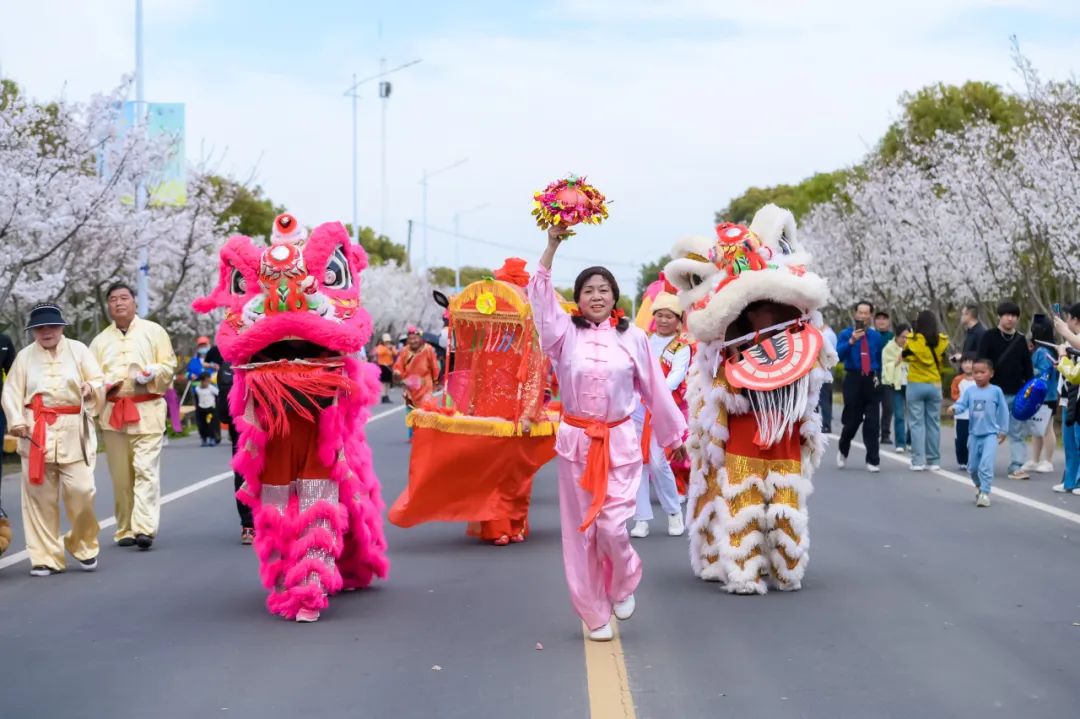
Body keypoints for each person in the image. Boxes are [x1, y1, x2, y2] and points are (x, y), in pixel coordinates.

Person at [530, 223, 687, 643]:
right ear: (578, 300)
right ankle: (593, 612)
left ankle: (622, 583)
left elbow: (654, 387)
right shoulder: (563, 335)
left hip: (619, 443)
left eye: (603, 289)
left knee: (614, 527)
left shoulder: (635, 338)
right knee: (581, 533)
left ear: (614, 296)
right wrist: (551, 246)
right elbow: (541, 303)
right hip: (576, 443)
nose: (596, 296)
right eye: (587, 290)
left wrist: (674, 435)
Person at [1, 303, 105, 575]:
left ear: (61, 327)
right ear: (33, 331)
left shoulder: (79, 350)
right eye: (40, 328)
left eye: (51, 326)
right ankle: (46, 557)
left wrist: (91, 387)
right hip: (36, 433)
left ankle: (82, 544)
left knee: (82, 491)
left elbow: (99, 380)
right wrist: (17, 421)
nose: (46, 331)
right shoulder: (24, 357)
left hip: (74, 431)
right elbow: (11, 392)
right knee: (39, 499)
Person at [89, 282, 177, 550]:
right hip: (113, 413)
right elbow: (91, 377)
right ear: (108, 306)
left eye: (124, 298)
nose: (118, 303)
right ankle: (125, 528)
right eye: (113, 299)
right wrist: (103, 384)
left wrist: (153, 372)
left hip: (147, 411)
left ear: (134, 302)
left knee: (145, 471)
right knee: (121, 476)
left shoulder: (154, 331)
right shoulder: (99, 341)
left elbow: (169, 364)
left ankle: (144, 528)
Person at [629, 292, 689, 539]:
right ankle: (641, 519)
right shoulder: (643, 340)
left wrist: (654, 392)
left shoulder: (681, 347)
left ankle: (674, 512)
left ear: (678, 320)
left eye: (669, 316)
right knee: (636, 464)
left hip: (661, 410)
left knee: (657, 461)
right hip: (636, 409)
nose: (663, 320)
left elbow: (675, 377)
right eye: (660, 315)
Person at [976, 301, 1034, 480]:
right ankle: (982, 463)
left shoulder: (1020, 339)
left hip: (1016, 393)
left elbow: (1027, 367)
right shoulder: (989, 336)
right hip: (992, 392)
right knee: (988, 430)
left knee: (1017, 432)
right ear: (1000, 316)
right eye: (1007, 315)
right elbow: (980, 361)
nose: (1010, 318)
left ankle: (1016, 466)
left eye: (1014, 315)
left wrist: (1030, 389)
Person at [205, 343, 254, 543]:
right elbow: (225, 402)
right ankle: (250, 522)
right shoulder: (233, 360)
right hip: (246, 424)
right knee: (247, 473)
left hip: (252, 424)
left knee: (247, 472)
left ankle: (251, 524)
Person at [948, 359, 1009, 507]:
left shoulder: (996, 391)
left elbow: (1003, 411)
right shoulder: (970, 391)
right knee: (973, 467)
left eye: (983, 372)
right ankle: (979, 486)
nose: (979, 375)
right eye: (976, 372)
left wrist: (1003, 430)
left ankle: (985, 493)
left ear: (991, 373)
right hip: (974, 434)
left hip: (990, 434)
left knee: (986, 465)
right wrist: (954, 408)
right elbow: (962, 404)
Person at [836, 301, 885, 472]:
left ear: (870, 316)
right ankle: (843, 448)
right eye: (860, 313)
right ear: (855, 314)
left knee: (872, 422)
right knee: (852, 421)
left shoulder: (876, 336)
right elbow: (838, 356)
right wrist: (851, 341)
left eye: (866, 313)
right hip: (853, 379)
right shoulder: (845, 334)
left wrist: (878, 376)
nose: (863, 316)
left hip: (871, 379)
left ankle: (873, 460)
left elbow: (878, 359)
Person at [901, 311, 950, 471]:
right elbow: (943, 360)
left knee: (916, 424)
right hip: (934, 384)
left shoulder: (913, 341)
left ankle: (917, 461)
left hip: (915, 383)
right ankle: (934, 461)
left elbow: (905, 356)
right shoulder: (941, 341)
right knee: (933, 423)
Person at [1023, 316, 1058, 474]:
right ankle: (1035, 459)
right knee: (1037, 428)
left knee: (1046, 428)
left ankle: (1048, 461)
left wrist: (1029, 371)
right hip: (1038, 394)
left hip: (1046, 395)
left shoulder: (1044, 351)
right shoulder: (1041, 349)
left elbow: (1045, 373)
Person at [393, 326, 440, 438]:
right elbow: (398, 365)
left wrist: (436, 381)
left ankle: (425, 432)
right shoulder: (404, 351)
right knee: (411, 411)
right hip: (410, 387)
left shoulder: (428, 349)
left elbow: (434, 366)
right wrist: (397, 372)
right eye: (411, 339)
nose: (413, 341)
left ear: (420, 338)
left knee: (426, 409)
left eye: (415, 338)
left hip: (425, 385)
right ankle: (413, 434)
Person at [882, 323, 910, 453]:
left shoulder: (913, 347)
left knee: (913, 415)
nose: (905, 340)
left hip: (911, 385)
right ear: (897, 336)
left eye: (908, 337)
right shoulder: (889, 348)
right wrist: (897, 361)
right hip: (896, 385)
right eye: (902, 337)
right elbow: (886, 366)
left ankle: (910, 441)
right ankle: (900, 443)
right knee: (899, 414)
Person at [951, 354, 976, 470]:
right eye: (964, 362)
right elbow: (954, 395)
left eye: (970, 362)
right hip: (961, 415)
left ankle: (974, 460)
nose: (967, 365)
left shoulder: (979, 380)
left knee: (975, 439)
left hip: (976, 416)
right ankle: (962, 460)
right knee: (961, 439)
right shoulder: (958, 380)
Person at [874, 311, 895, 445]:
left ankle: (885, 434)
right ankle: (874, 432)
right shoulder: (871, 336)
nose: (881, 321)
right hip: (874, 375)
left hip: (888, 376)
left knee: (888, 406)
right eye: (879, 319)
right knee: (874, 406)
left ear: (889, 322)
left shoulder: (892, 337)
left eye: (884, 318)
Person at [819, 321, 837, 433]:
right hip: (828, 369)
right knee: (827, 398)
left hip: (823, 370)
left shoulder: (826, 335)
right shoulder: (831, 333)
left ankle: (826, 424)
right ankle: (827, 422)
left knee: (823, 398)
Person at [192, 372, 220, 447]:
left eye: (208, 381)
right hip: (201, 409)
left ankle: (212, 438)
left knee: (211, 425)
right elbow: (196, 399)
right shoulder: (197, 389)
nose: (207, 383)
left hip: (210, 409)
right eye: (206, 381)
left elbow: (218, 395)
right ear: (202, 381)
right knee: (202, 426)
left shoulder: (211, 388)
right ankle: (204, 439)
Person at [374, 333, 396, 404]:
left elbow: (395, 353)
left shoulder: (391, 347)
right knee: (383, 382)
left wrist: (392, 348)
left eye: (388, 341)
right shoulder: (380, 347)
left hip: (389, 366)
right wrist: (387, 348)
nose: (387, 342)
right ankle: (383, 396)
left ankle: (387, 396)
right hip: (383, 366)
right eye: (386, 341)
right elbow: (379, 352)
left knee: (388, 382)